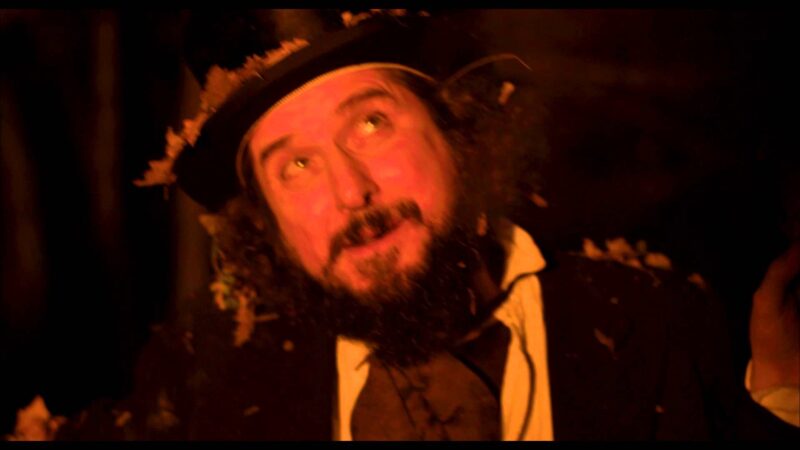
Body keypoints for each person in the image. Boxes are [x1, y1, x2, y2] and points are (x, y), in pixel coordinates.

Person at [55, 10, 798, 440]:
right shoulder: (202, 385)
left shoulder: (664, 327)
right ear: (269, 225)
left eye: (371, 123)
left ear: (456, 127)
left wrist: (783, 401)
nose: (351, 191)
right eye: (297, 166)